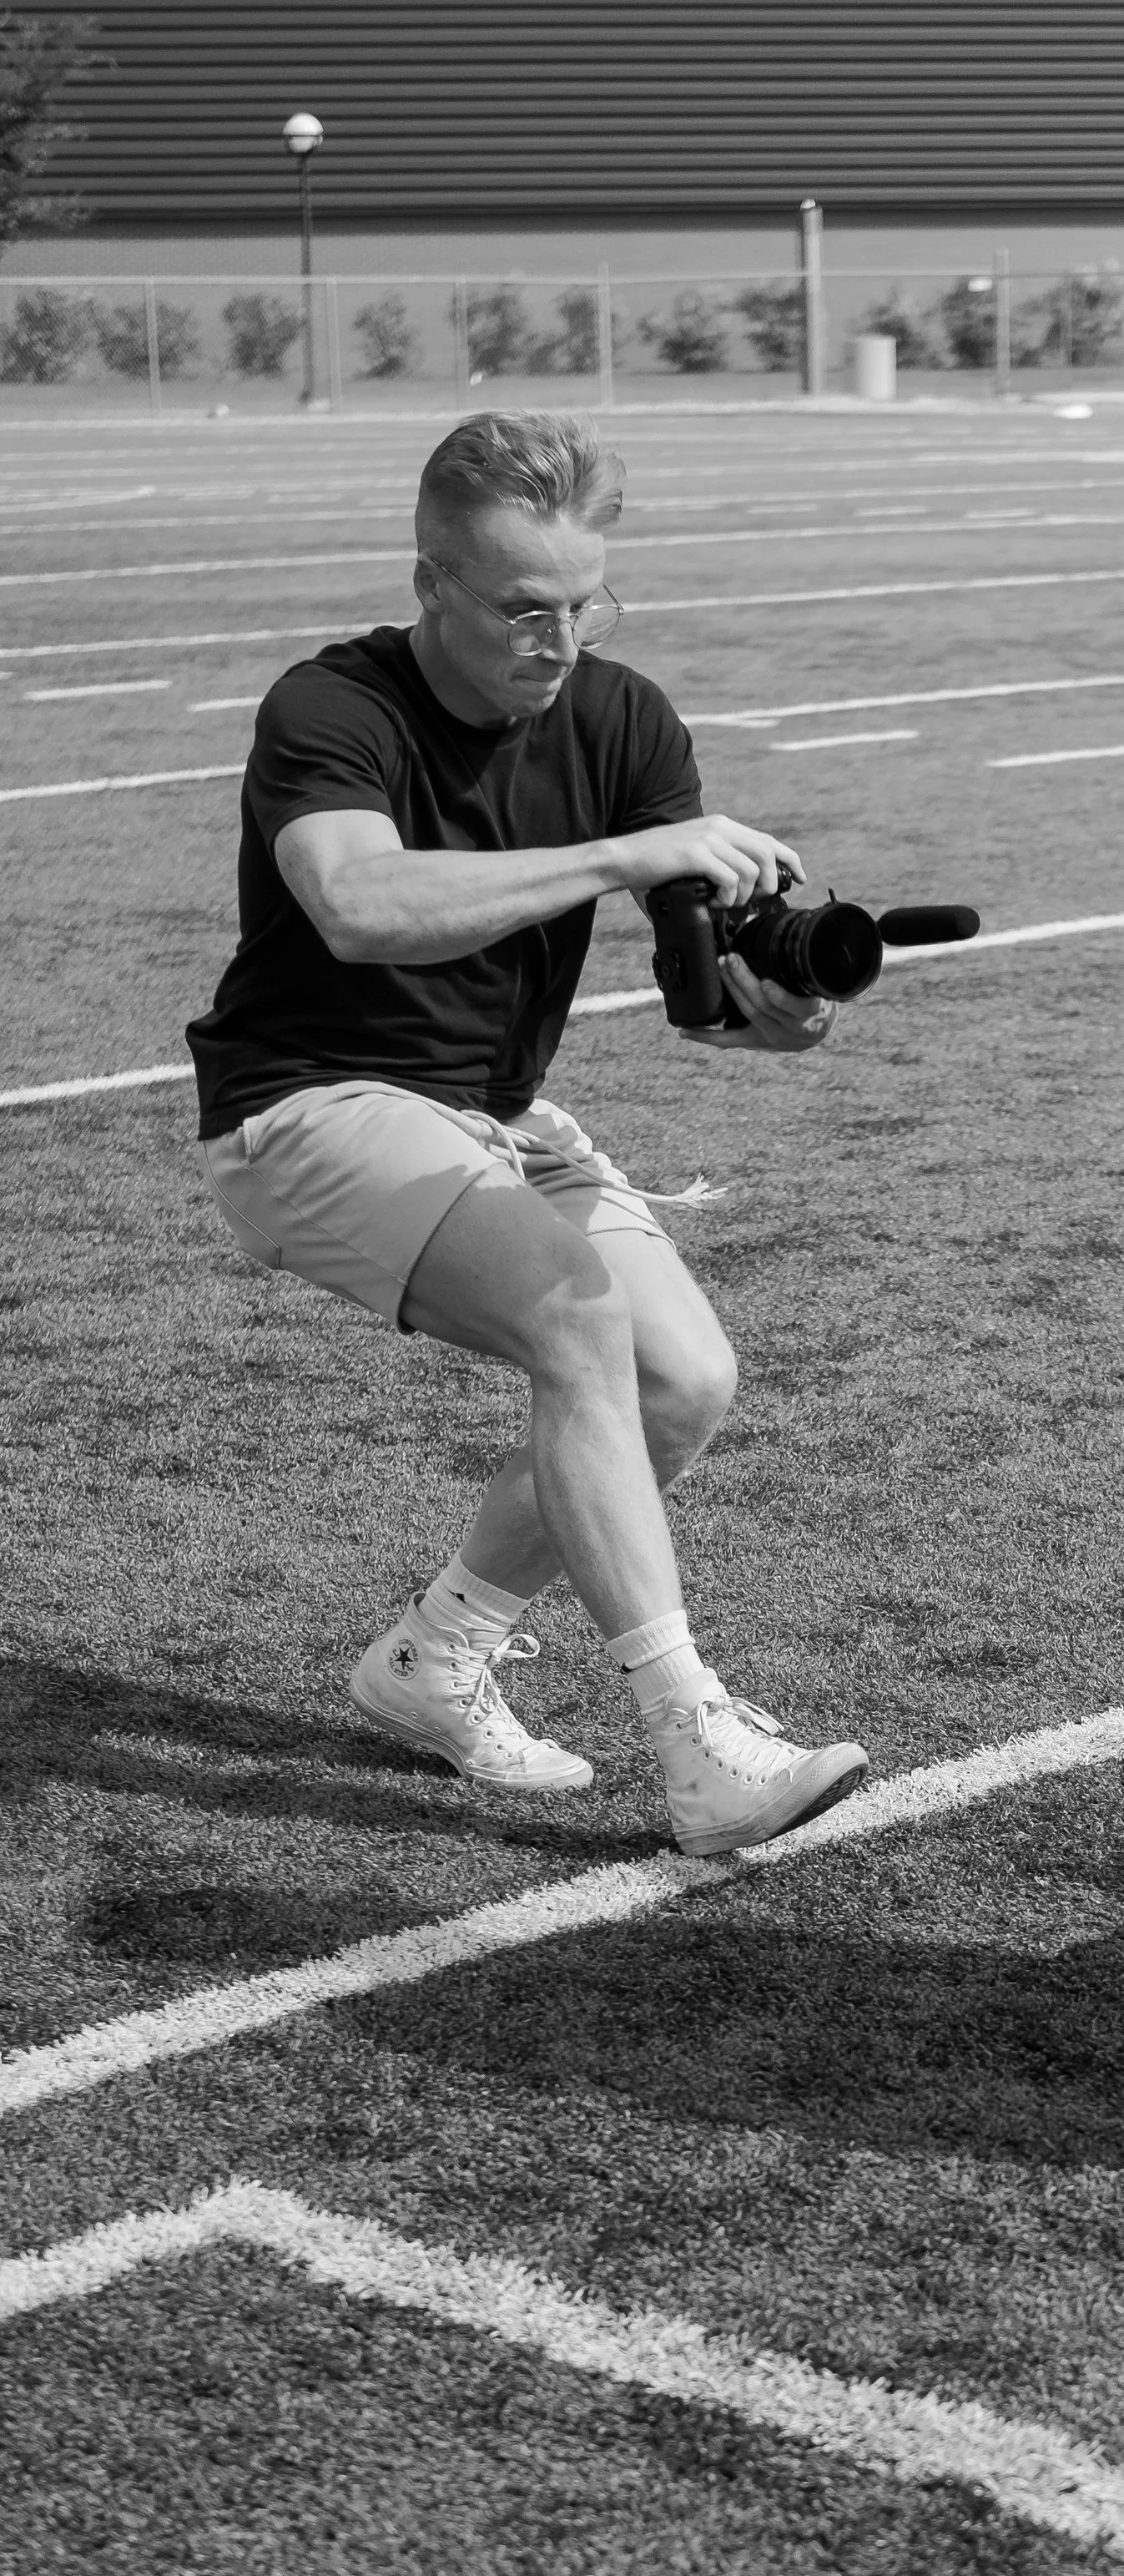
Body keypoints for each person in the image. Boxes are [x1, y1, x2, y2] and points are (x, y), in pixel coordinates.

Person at [188, 409, 869, 1858]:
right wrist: (626, 855)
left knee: (685, 1380)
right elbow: (358, 907)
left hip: (496, 1118)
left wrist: (782, 1000)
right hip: (307, 1102)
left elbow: (709, 998)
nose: (557, 641)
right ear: (431, 582)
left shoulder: (621, 715)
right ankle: (697, 1742)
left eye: (583, 604)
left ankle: (434, 1659)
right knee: (577, 1319)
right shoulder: (331, 707)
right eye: (521, 610)